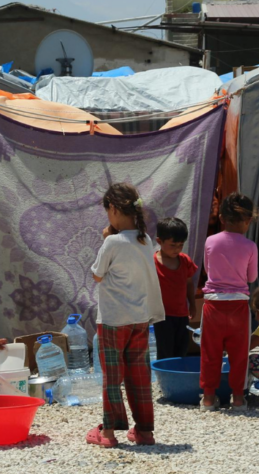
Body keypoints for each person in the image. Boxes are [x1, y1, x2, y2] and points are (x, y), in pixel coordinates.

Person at [88, 182, 165, 448]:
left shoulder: (112, 242)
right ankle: (144, 431)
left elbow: (97, 275)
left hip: (112, 320)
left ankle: (109, 433)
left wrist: (105, 239)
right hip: (139, 319)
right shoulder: (146, 241)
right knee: (139, 376)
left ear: (113, 209)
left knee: (112, 377)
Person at [200, 193, 258, 410]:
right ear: (248, 220)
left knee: (210, 353)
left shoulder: (210, 241)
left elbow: (208, 271)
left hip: (213, 305)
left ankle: (208, 399)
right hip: (238, 306)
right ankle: (238, 399)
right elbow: (251, 278)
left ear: (222, 218)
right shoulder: (250, 246)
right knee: (239, 354)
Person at [152, 217, 198, 360]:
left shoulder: (185, 261)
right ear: (159, 241)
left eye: (180, 245)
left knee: (181, 350)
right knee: (165, 352)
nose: (177, 249)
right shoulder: (152, 263)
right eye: (172, 245)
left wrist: (192, 304)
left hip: (182, 315)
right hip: (161, 317)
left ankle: (177, 373)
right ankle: (163, 374)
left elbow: (189, 283)